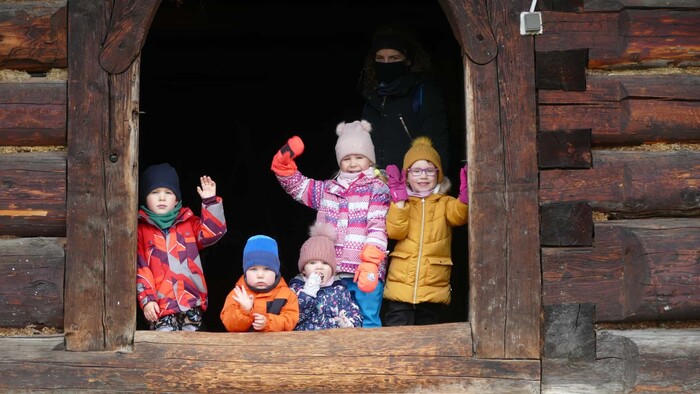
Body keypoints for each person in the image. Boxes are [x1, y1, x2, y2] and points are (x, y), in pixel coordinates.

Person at [271, 119, 390, 328]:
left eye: (359, 157)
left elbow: (378, 225)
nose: (353, 163)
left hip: (364, 270)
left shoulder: (377, 188)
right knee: (333, 321)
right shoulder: (328, 189)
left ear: (370, 160)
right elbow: (299, 187)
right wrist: (283, 167)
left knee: (367, 319)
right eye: (347, 158)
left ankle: (371, 360)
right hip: (331, 272)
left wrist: (371, 260)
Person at [383, 137, 469, 326]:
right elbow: (395, 232)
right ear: (406, 175)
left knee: (428, 333)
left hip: (433, 283)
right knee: (397, 332)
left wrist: (464, 199)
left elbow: (459, 216)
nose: (423, 176)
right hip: (401, 283)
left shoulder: (444, 202)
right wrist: (398, 202)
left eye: (430, 171)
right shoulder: (403, 203)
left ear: (438, 175)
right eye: (416, 171)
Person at [136, 163, 227, 331]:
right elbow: (141, 269)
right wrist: (148, 300)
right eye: (155, 192)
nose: (162, 198)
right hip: (161, 308)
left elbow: (212, 234)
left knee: (192, 350)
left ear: (176, 198)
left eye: (168, 193)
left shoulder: (187, 222)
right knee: (163, 352)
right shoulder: (140, 230)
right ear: (144, 197)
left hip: (191, 303)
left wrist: (210, 201)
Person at [358, 26, 450, 173]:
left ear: (407, 61)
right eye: (380, 59)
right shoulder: (371, 97)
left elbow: (438, 144)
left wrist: (435, 183)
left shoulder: (423, 94)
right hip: (375, 186)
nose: (386, 63)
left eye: (394, 58)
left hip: (413, 185)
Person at [289, 221, 363, 330]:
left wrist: (349, 323)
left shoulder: (340, 290)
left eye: (325, 263)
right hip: (305, 343)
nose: (319, 267)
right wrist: (308, 293)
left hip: (333, 342)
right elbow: (292, 318)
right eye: (312, 263)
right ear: (303, 270)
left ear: (332, 270)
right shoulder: (295, 289)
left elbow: (355, 314)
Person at [220, 234, 299, 332]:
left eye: (267, 269)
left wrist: (267, 322)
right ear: (245, 272)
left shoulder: (287, 295)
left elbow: (289, 321)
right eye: (253, 269)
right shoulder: (237, 294)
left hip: (276, 346)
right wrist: (246, 311)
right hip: (244, 346)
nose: (260, 275)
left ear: (276, 272)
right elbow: (230, 325)